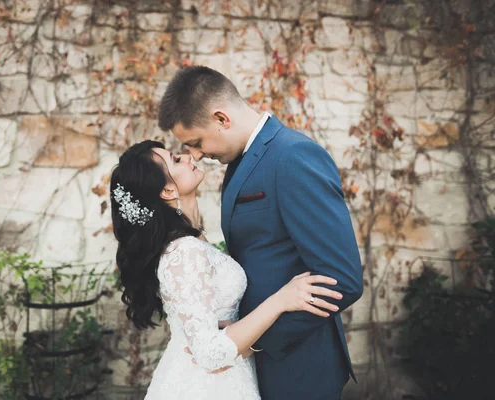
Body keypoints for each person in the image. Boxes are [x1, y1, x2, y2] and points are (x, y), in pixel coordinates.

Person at [157, 66, 364, 399]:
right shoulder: (239, 160)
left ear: (221, 118)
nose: (195, 154)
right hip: (254, 367)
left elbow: (343, 280)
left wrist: (255, 341)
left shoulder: (293, 156)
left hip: (298, 364)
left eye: (196, 142)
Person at [110, 140, 344, 399]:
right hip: (207, 387)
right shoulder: (184, 251)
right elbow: (209, 354)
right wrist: (282, 300)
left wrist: (241, 330)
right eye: (176, 160)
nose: (188, 157)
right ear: (167, 190)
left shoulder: (195, 241)